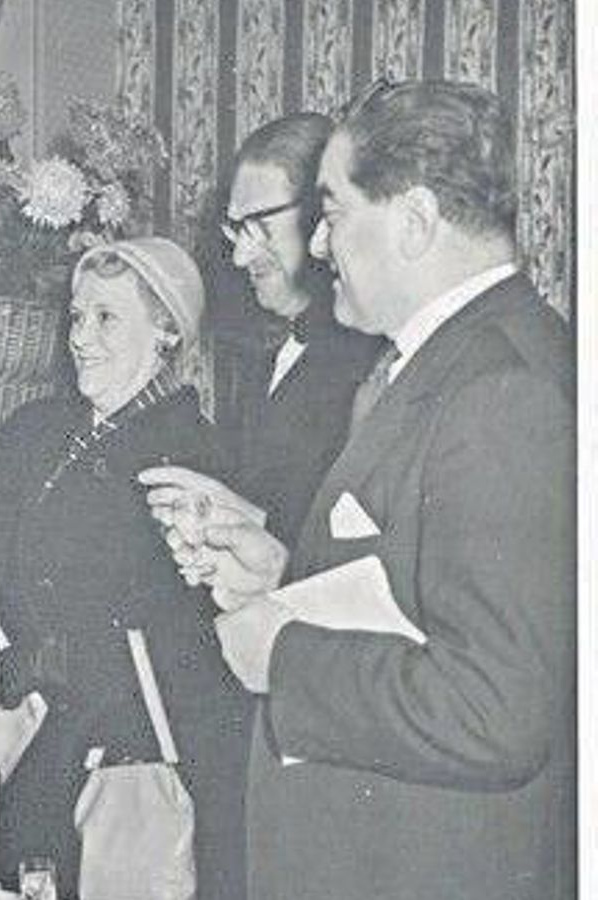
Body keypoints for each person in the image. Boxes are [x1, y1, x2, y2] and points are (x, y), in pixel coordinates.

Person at [141, 80, 575, 900]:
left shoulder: (502, 391)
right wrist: (281, 576)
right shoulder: (454, 361)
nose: (317, 247)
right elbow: (424, 597)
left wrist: (283, 656)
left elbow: (498, 708)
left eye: (334, 213)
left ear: (412, 222)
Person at [0, 237, 248, 899]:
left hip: (122, 757)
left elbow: (188, 648)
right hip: (33, 734)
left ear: (167, 330)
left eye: (107, 318)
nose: (82, 337)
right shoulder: (39, 430)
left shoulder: (193, 459)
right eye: (77, 317)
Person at [214, 112, 383, 541]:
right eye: (237, 230)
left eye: (261, 226)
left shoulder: (376, 364)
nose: (239, 257)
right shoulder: (257, 357)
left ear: (320, 217)